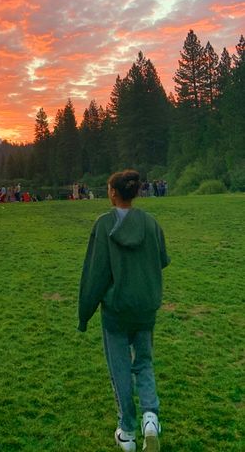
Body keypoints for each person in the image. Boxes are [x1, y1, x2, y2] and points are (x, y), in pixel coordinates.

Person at [78, 169, 170, 452]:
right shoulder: (151, 223)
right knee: (144, 361)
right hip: (145, 307)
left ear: (114, 193)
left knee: (120, 368)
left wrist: (85, 314)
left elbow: (96, 274)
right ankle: (150, 418)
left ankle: (127, 431)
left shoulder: (104, 226)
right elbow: (162, 260)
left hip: (116, 311)